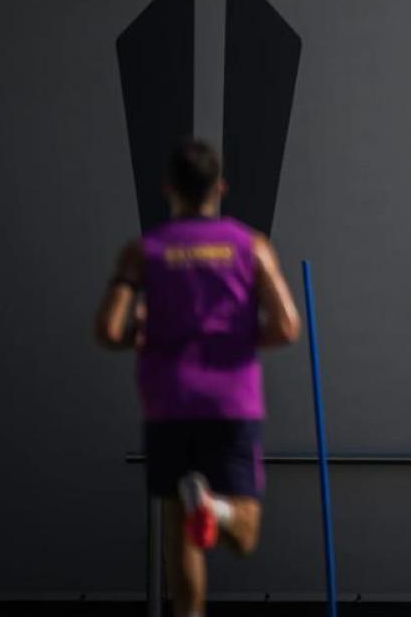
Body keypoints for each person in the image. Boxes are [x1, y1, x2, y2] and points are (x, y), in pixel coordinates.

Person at [94, 138, 301, 617]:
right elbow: (286, 327)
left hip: (168, 400)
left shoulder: (143, 251)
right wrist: (240, 339)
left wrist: (139, 337)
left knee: (180, 529)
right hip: (231, 399)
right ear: (220, 187)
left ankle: (199, 508)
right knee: (243, 535)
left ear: (170, 188)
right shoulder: (252, 246)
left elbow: (108, 328)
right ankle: (217, 507)